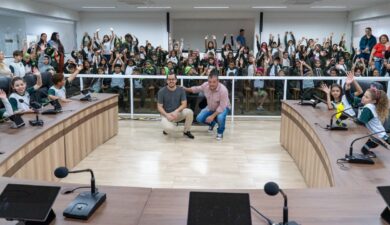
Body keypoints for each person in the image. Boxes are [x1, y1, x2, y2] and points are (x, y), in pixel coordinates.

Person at [184, 70, 231, 140]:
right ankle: (212, 124)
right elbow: (196, 89)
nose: (211, 84)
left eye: (214, 82)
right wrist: (185, 89)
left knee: (220, 117)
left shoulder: (223, 90)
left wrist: (212, 116)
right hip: (211, 107)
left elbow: (222, 107)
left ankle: (220, 132)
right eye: (210, 82)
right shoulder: (205, 85)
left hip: (223, 108)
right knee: (199, 118)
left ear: (218, 81)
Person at [353, 86, 390, 158]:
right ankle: (367, 153)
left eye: (366, 97)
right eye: (364, 95)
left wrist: (354, 119)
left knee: (364, 149)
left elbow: (362, 121)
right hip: (378, 135)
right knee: (364, 149)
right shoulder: (371, 106)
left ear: (373, 101)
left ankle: (368, 155)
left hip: (379, 136)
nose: (363, 97)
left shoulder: (368, 107)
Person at [157, 73, 194, 139]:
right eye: (169, 79)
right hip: (166, 114)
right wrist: (166, 115)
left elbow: (184, 104)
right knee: (169, 129)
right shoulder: (161, 91)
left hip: (177, 113)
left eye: (173, 79)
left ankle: (186, 131)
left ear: (176, 80)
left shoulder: (181, 90)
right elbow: (159, 106)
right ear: (166, 80)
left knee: (189, 112)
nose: (171, 81)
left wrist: (176, 111)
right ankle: (166, 129)